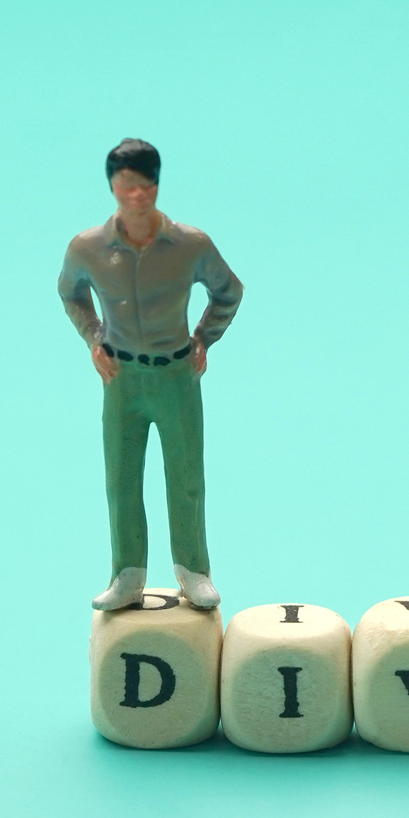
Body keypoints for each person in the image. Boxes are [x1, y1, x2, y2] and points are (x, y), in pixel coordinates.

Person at [59, 139, 243, 610]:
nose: (136, 198)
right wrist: (93, 339)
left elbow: (228, 291)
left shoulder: (190, 244)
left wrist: (204, 338)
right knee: (121, 478)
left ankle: (194, 572)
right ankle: (127, 574)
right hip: (122, 378)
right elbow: (70, 293)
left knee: (185, 477)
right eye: (125, 189)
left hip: (176, 374)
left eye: (144, 187)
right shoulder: (89, 248)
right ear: (112, 189)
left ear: (157, 185)